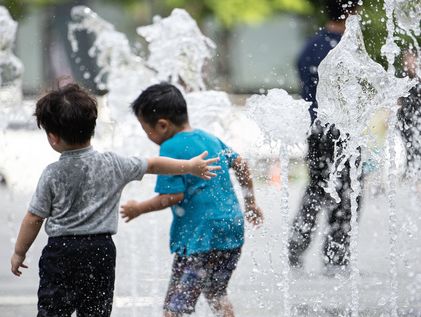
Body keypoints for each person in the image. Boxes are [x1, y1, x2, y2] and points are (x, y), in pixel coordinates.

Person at [10, 83, 220, 317]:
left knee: (54, 310)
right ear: (91, 127)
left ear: (53, 137)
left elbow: (34, 217)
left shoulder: (52, 173)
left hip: (62, 252)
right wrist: (189, 166)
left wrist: (20, 252)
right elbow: (152, 164)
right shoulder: (113, 164)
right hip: (101, 250)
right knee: (96, 311)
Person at [120, 83, 264, 317]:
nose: (148, 136)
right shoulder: (211, 138)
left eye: (147, 130)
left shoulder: (170, 147)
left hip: (200, 236)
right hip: (231, 230)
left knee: (174, 308)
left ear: (162, 125)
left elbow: (172, 196)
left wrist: (138, 209)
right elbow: (241, 164)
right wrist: (250, 204)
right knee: (216, 293)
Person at [288, 0, 362, 271]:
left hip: (317, 131)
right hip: (344, 132)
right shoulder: (345, 48)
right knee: (348, 192)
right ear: (351, 13)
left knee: (316, 188)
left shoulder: (311, 46)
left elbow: (304, 80)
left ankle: (296, 247)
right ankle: (336, 257)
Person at [397, 49, 421, 179]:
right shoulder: (402, 77)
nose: (408, 62)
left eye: (411, 58)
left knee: (417, 144)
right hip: (405, 120)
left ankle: (416, 172)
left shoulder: (419, 78)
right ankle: (411, 171)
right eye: (406, 59)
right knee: (409, 146)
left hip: (417, 119)